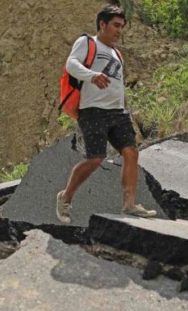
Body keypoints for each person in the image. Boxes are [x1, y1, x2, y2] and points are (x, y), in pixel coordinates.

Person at [56, 4, 157, 224]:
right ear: (102, 24)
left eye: (122, 26)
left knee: (131, 152)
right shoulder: (87, 42)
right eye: (116, 25)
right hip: (92, 112)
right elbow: (71, 64)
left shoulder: (117, 53)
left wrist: (124, 108)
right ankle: (65, 197)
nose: (119, 30)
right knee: (96, 158)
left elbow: (117, 85)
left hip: (117, 112)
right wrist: (92, 75)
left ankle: (130, 205)